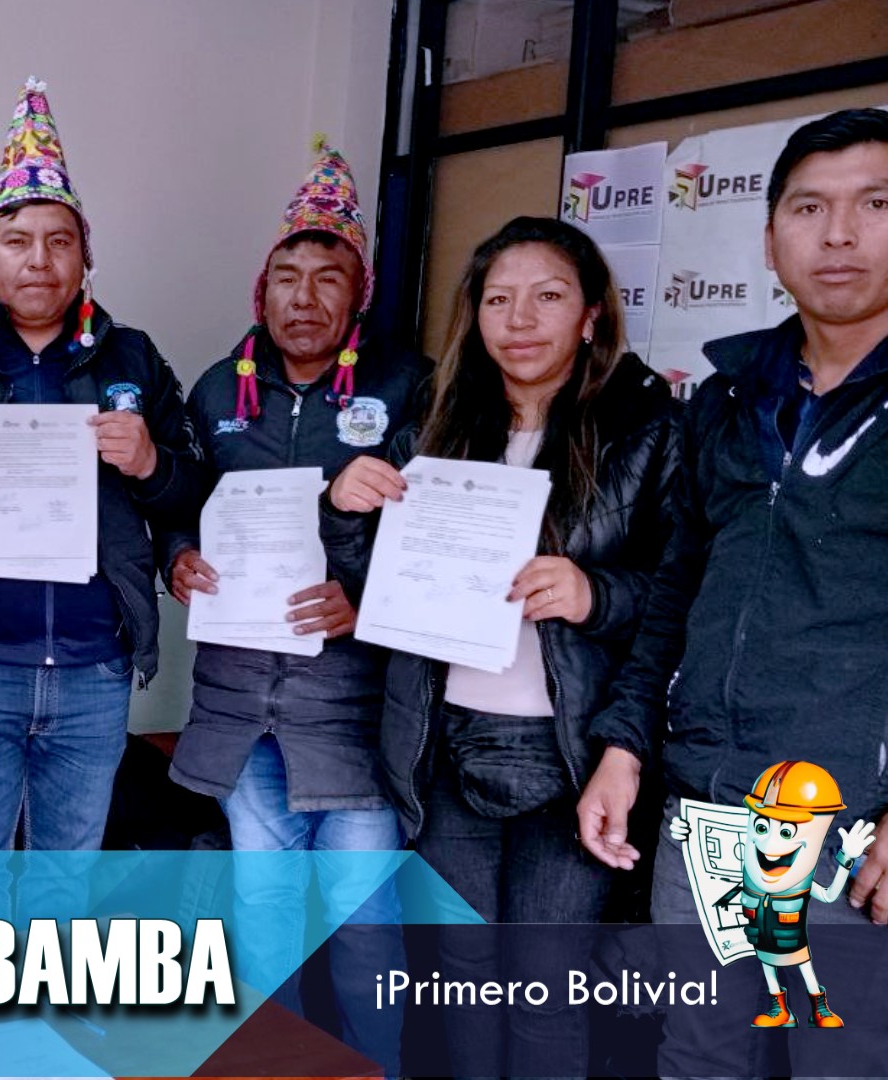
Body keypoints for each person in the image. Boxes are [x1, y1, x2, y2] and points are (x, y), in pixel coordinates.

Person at [326, 216, 681, 1076]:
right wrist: (342, 511)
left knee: (546, 981)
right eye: (498, 300)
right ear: (474, 317)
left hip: (571, 755)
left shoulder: (644, 427)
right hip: (442, 746)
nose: (520, 320)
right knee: (467, 973)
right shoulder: (437, 425)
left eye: (548, 297)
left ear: (591, 315)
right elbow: (375, 588)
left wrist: (594, 593)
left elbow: (680, 592)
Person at [577, 107, 888, 1076]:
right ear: (770, 239)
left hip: (855, 819)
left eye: (875, 204)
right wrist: (627, 743)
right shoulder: (725, 400)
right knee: (700, 1055)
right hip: (710, 805)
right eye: (809, 208)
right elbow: (680, 588)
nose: (838, 234)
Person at [163, 139, 425, 1072]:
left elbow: (443, 548)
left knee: (366, 934)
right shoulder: (213, 391)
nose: (303, 298)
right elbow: (175, 507)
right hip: (243, 714)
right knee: (263, 925)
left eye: (327, 277)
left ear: (358, 293)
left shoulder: (411, 389)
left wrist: (363, 600)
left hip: (350, 718)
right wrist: (178, 559)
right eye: (286, 276)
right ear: (259, 289)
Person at [0, 78, 201, 881]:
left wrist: (151, 463)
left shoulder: (134, 359)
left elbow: (194, 496)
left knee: (71, 867)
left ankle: (52, 1008)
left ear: (86, 258)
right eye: (19, 239)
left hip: (94, 666)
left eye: (59, 241)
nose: (39, 258)